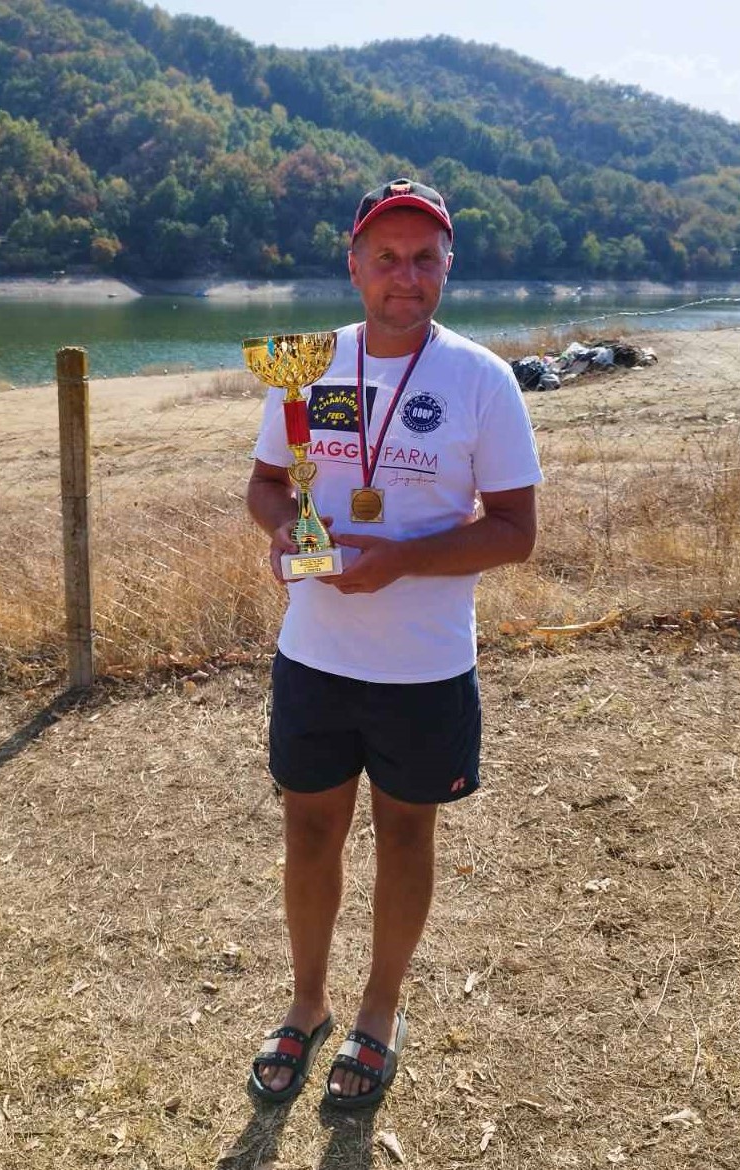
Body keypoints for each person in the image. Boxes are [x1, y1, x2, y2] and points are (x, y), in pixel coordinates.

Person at [246, 177, 542, 1109]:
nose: (404, 276)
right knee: (308, 830)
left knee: (406, 832)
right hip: (314, 656)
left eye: (423, 258)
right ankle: (306, 1002)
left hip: (424, 666)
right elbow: (267, 484)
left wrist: (399, 562)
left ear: (447, 266)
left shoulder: (481, 380)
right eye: (386, 257)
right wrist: (285, 532)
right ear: (354, 265)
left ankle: (379, 1009)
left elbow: (515, 531)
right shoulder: (307, 366)